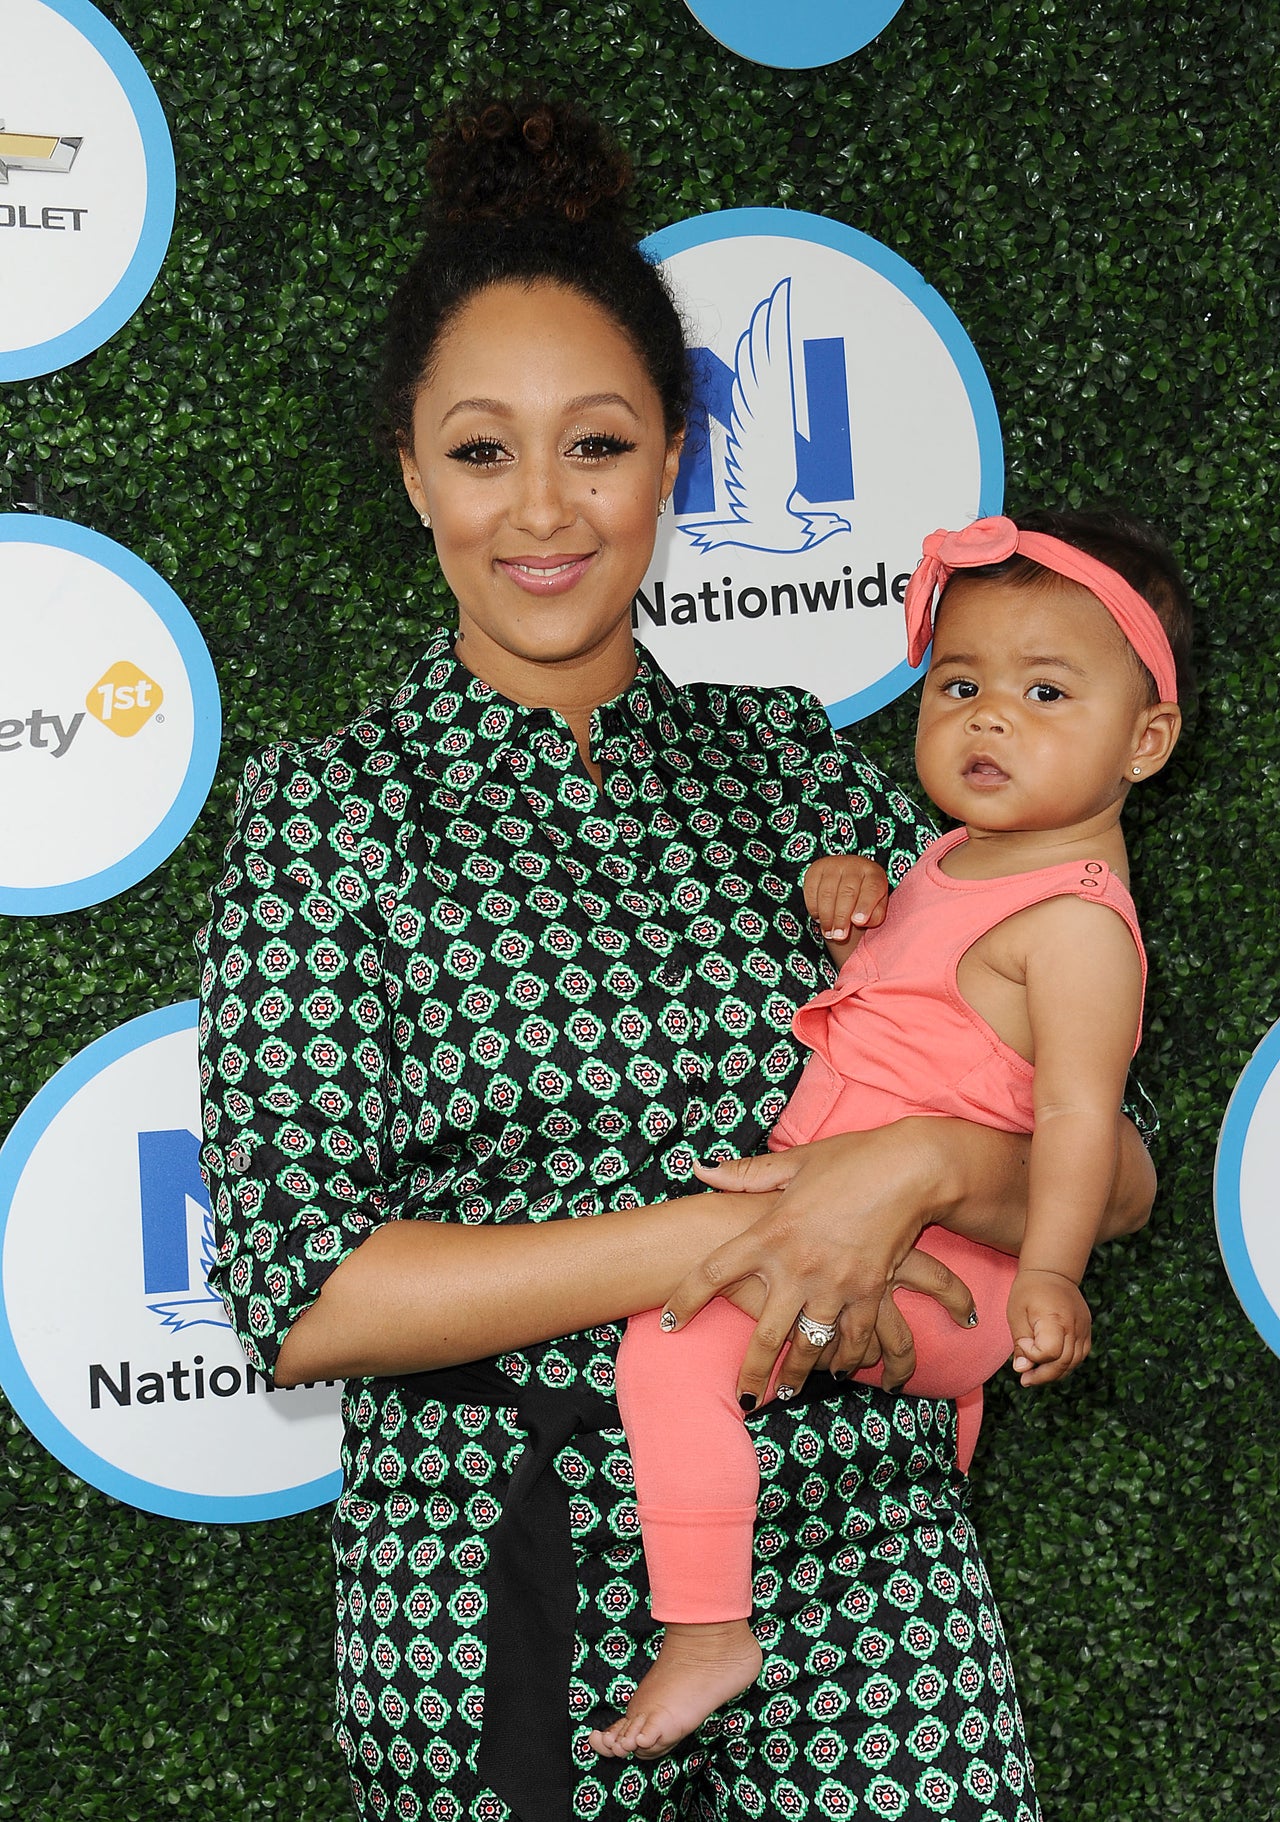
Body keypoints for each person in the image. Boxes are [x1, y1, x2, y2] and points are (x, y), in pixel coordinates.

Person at [196, 97, 1155, 1822]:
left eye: (602, 445)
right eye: (483, 451)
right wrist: (732, 1234)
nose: (543, 509)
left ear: (677, 457)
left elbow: (1119, 1168)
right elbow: (305, 1297)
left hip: (870, 1565)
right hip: (496, 1577)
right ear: (411, 472)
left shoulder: (801, 767)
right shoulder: (330, 812)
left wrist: (922, 1163)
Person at [591, 508, 1190, 1760]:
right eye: (959, 681)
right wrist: (848, 904)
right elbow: (923, 1010)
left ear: (1143, 741)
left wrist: (1048, 1275)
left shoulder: (1077, 924)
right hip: (866, 1240)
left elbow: (1081, 1115)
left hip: (949, 1275)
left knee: (668, 1350)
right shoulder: (962, 859)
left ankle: (706, 1625)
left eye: (1041, 690)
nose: (986, 716)